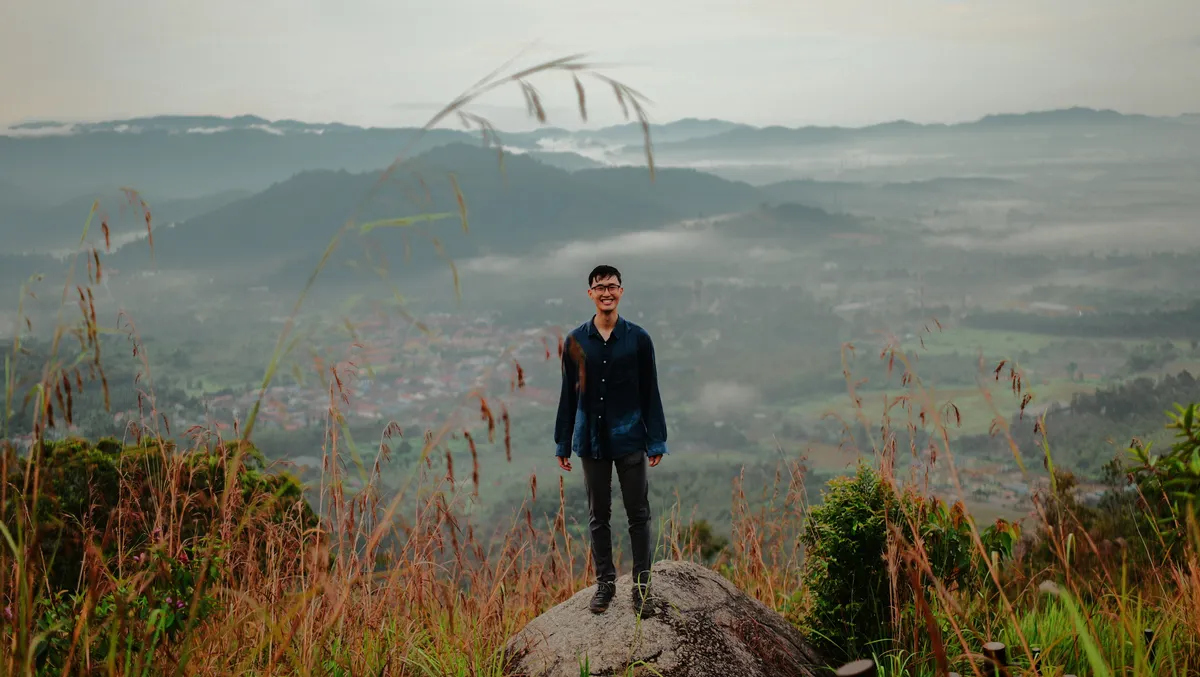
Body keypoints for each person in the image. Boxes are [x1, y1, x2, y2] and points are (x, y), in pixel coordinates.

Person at [554, 264, 668, 618]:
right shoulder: (575, 341)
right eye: (599, 287)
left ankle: (642, 588)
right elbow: (568, 396)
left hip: (631, 437)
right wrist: (562, 442)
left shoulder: (638, 339)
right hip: (591, 441)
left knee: (639, 515)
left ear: (621, 291)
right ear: (590, 293)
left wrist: (657, 440)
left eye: (612, 286)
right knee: (597, 515)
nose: (606, 292)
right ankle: (605, 584)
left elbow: (650, 390)